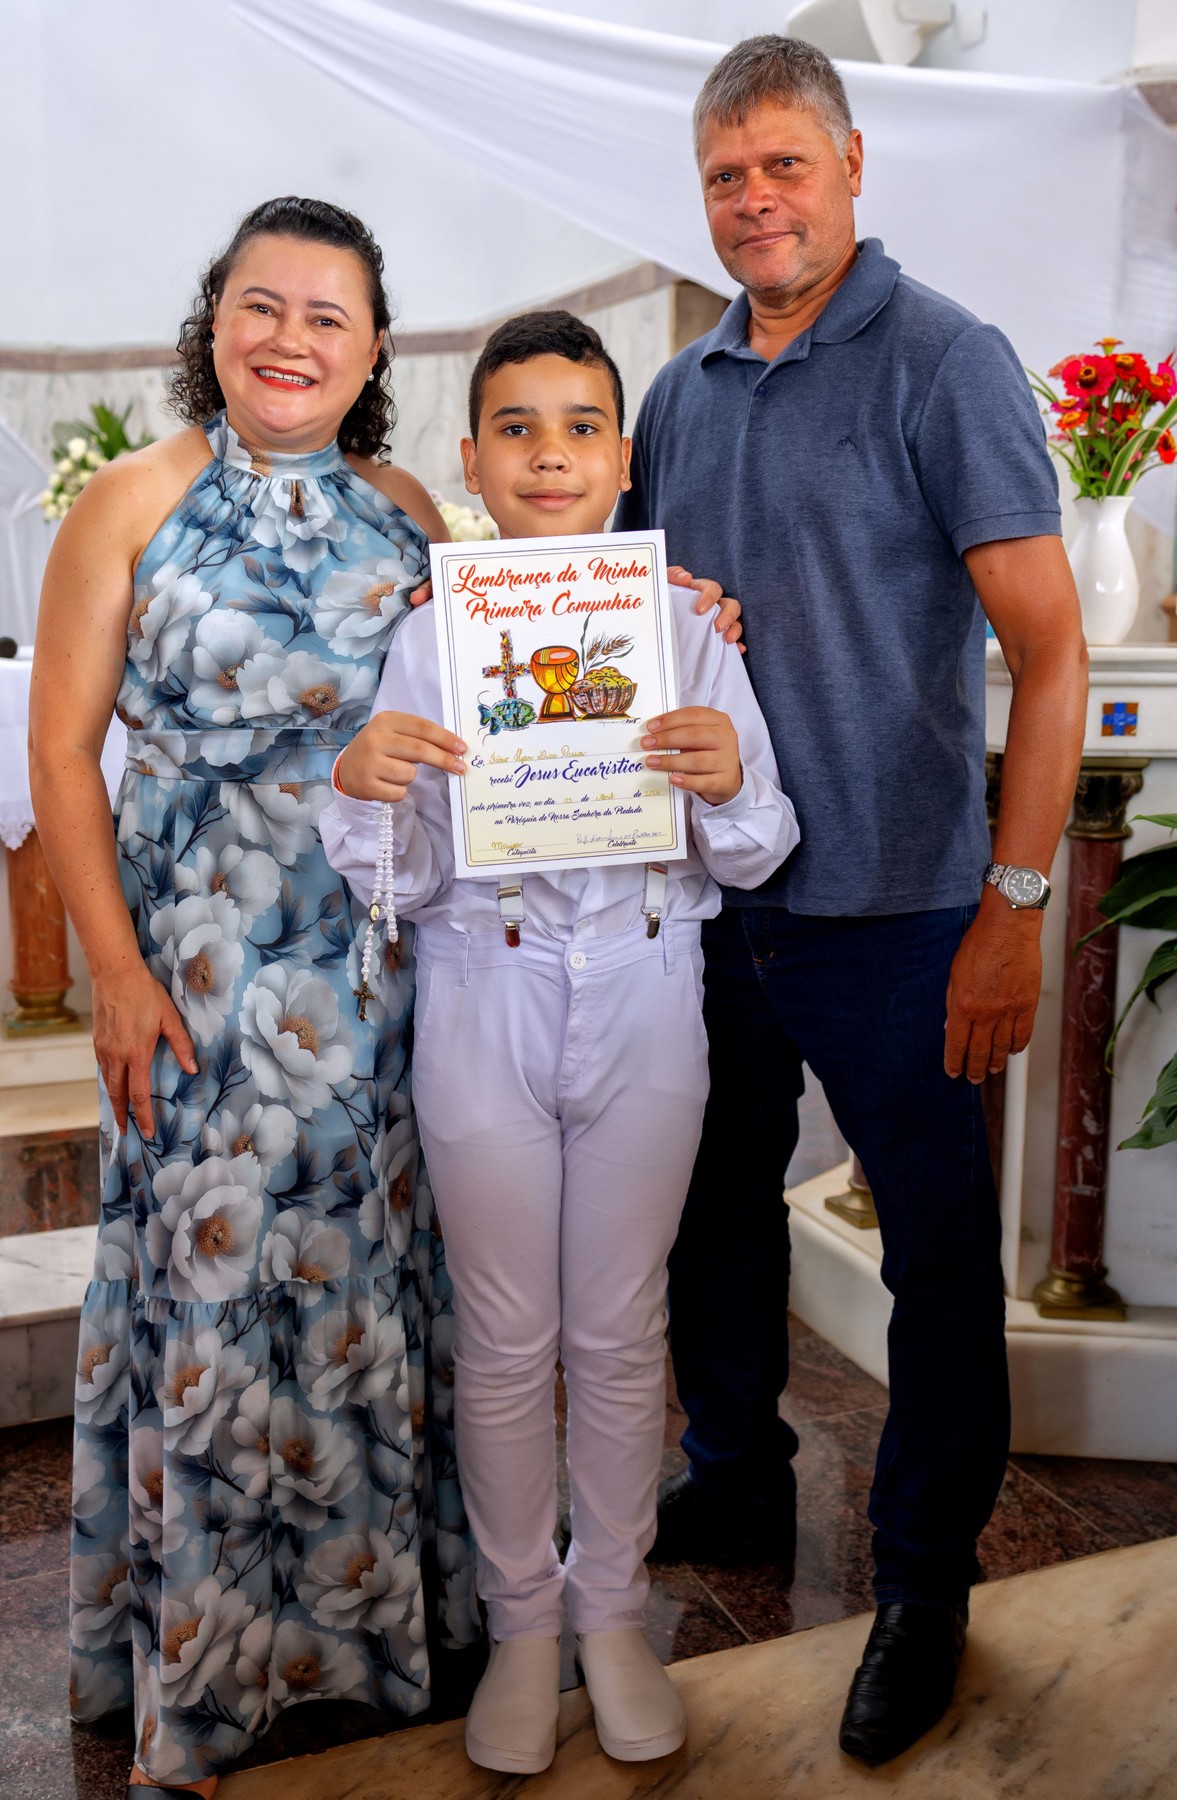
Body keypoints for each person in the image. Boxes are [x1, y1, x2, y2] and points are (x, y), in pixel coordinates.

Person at [615, 36, 1089, 1768]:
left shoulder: (947, 359)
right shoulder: (678, 393)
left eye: (784, 166)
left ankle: (923, 1579)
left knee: (937, 1256)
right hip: (713, 895)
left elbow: (1053, 653)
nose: (756, 201)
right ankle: (737, 1471)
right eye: (726, 176)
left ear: (852, 164)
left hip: (902, 911)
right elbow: (640, 619)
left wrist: (1012, 908)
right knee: (714, 1207)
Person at [32, 195, 483, 1799]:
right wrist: (113, 972)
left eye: (326, 316)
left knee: (365, 1297)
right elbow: (60, 756)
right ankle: (206, 1689)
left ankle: (375, 1654)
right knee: (210, 1302)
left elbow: (499, 708)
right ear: (214, 320)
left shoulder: (408, 512)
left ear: (373, 349)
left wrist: (684, 629)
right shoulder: (130, 502)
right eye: (261, 306)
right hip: (198, 990)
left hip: (377, 987)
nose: (291, 339)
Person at [319, 309, 799, 1776]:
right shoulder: (429, 638)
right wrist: (365, 784)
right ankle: (524, 1624)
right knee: (508, 1334)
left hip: (650, 987)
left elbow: (759, 847)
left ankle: (612, 1613)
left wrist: (727, 779)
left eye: (581, 426)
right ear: (470, 461)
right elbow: (397, 881)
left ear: (623, 457)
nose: (549, 454)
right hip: (486, 993)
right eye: (516, 429)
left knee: (620, 1328)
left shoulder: (685, 631)